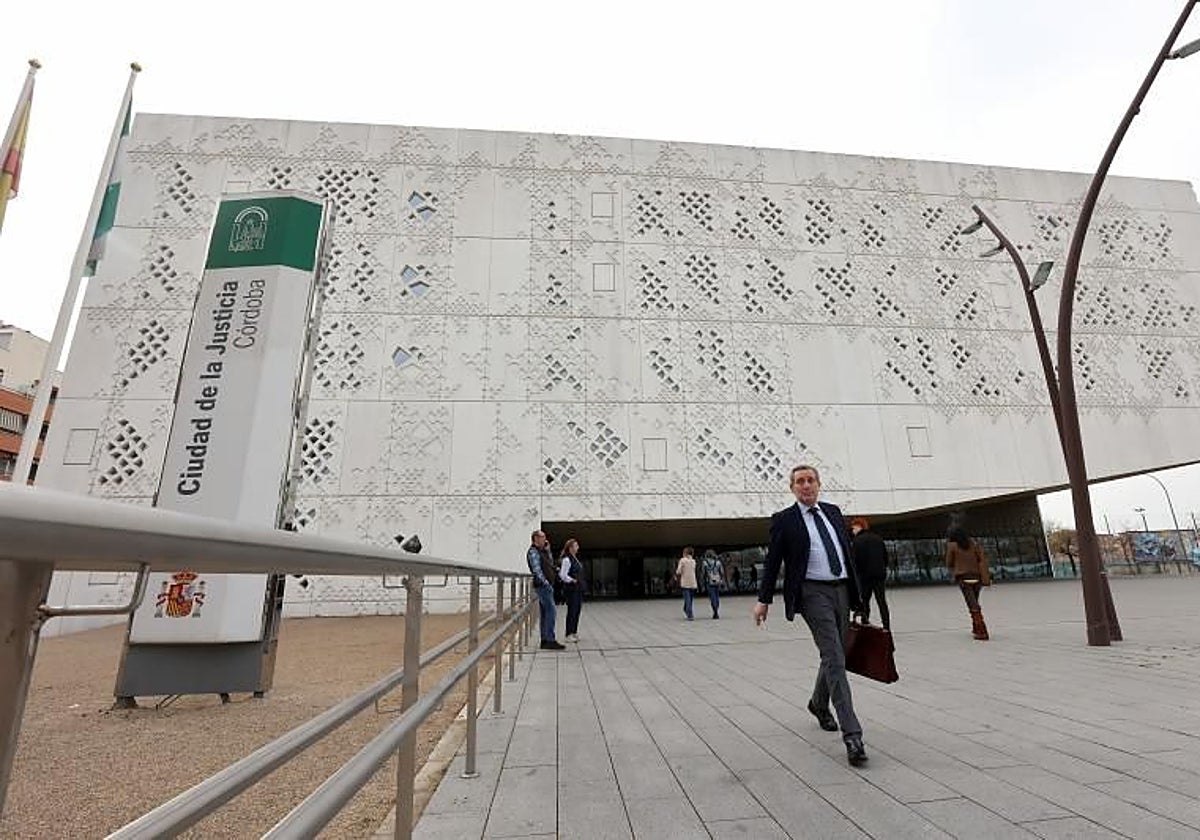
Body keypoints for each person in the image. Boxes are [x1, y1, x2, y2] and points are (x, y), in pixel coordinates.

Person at [754, 464, 868, 767]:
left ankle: (818, 703)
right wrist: (763, 600)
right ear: (792, 488)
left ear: (819, 484)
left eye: (810, 480)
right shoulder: (784, 520)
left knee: (835, 653)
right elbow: (773, 561)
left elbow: (846, 553)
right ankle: (853, 735)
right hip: (812, 592)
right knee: (834, 657)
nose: (806, 485)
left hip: (842, 589)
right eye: (800, 482)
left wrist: (859, 595)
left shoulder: (832, 512)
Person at [945, 526, 990, 640]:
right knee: (974, 602)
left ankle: (981, 630)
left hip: (963, 578)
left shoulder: (952, 546)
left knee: (972, 605)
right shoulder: (974, 544)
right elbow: (981, 559)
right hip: (977, 577)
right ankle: (976, 627)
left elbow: (949, 562)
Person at [526, 530, 564, 650]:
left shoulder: (543, 551)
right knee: (551, 612)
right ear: (536, 539)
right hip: (543, 586)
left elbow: (550, 564)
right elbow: (536, 570)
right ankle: (550, 639)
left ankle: (545, 640)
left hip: (546, 585)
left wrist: (548, 550)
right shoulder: (533, 551)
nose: (545, 539)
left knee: (545, 613)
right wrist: (546, 583)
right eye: (542, 537)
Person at [850, 517, 891, 630]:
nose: (852, 531)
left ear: (859, 526)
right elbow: (885, 557)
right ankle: (886, 626)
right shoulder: (878, 538)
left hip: (865, 576)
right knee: (881, 601)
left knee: (865, 601)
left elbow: (855, 561)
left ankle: (865, 624)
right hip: (879, 575)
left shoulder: (857, 541)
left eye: (853, 528)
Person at [559, 538, 585, 642]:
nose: (578, 547)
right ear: (570, 548)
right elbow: (562, 575)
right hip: (571, 589)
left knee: (577, 610)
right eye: (576, 545)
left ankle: (574, 632)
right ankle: (568, 634)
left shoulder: (575, 559)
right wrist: (572, 580)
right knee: (572, 611)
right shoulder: (567, 560)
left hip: (578, 589)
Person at [675, 547, 698, 620]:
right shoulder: (693, 561)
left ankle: (690, 614)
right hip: (693, 582)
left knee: (687, 598)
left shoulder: (682, 560)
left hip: (685, 582)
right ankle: (687, 609)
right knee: (690, 599)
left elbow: (678, 571)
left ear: (685, 553)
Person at [701, 549, 724, 619]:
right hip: (717, 581)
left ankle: (715, 609)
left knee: (712, 596)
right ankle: (716, 607)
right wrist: (721, 579)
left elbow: (703, 573)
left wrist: (703, 581)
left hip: (709, 581)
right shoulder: (718, 562)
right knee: (717, 595)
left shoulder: (705, 562)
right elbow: (722, 572)